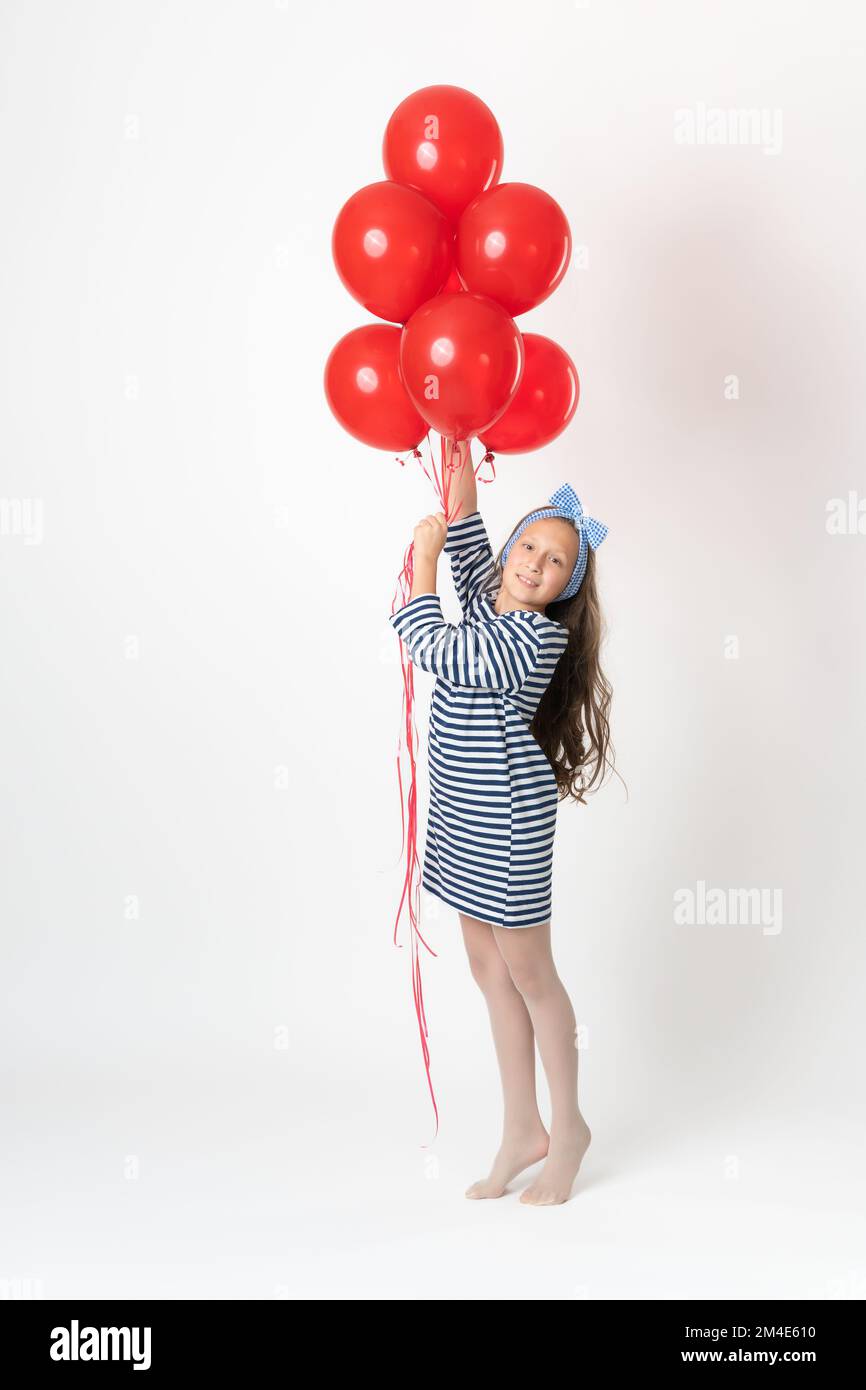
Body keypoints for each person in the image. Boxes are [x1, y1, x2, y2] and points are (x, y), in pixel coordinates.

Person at [388, 443, 617, 1205]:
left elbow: (434, 646)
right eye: (527, 545)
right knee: (488, 971)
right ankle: (523, 1126)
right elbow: (466, 532)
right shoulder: (495, 597)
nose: (531, 563)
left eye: (553, 562)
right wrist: (456, 440)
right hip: (461, 816)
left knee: (530, 975)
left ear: (564, 589)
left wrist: (419, 564)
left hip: (507, 823)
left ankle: (569, 1126)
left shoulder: (530, 638)